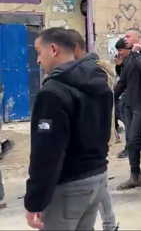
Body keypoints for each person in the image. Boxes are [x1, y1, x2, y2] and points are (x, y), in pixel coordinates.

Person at [25, 28, 112, 230]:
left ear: (53, 49)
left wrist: (35, 201)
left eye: (39, 51)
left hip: (69, 186)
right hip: (97, 178)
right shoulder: (100, 80)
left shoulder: (53, 92)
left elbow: (46, 153)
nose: (38, 60)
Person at [67, 29, 118, 230]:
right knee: (97, 182)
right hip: (94, 132)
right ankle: (108, 224)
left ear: (75, 48)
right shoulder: (83, 70)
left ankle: (109, 224)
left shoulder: (94, 71)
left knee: (97, 181)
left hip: (95, 133)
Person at [114, 28, 141, 190]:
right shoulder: (130, 57)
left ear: (139, 38)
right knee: (130, 141)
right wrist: (111, 98)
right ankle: (135, 175)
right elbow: (123, 81)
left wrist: (137, 53)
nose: (125, 39)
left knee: (135, 138)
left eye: (128, 36)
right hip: (129, 104)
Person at [114, 38, 131, 159]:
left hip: (134, 98)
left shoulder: (134, 60)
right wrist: (119, 66)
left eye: (121, 50)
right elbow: (121, 77)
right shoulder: (125, 61)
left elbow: (123, 81)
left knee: (132, 126)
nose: (119, 53)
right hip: (126, 97)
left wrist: (113, 96)